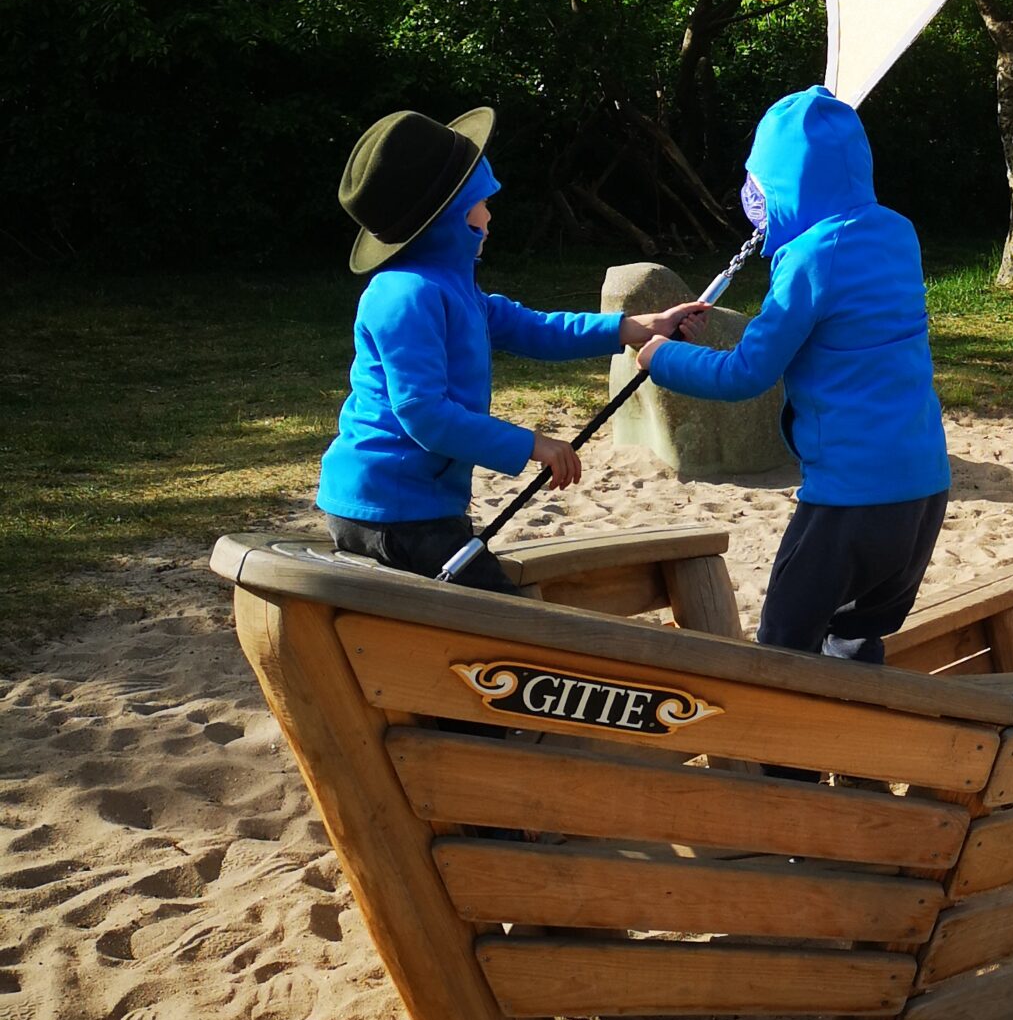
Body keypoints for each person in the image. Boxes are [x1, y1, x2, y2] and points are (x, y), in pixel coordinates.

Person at [638, 87, 948, 662]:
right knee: (852, 639)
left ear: (780, 186)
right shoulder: (895, 233)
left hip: (851, 498)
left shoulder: (810, 258)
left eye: (760, 186)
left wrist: (661, 358)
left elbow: (745, 373)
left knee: (782, 647)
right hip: (924, 488)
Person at [315, 107, 681, 591]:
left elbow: (535, 329)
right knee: (506, 618)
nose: (489, 216)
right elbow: (424, 413)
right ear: (451, 216)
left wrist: (635, 327)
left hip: (414, 504)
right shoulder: (405, 295)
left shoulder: (452, 288)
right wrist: (533, 445)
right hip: (393, 510)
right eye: (482, 203)